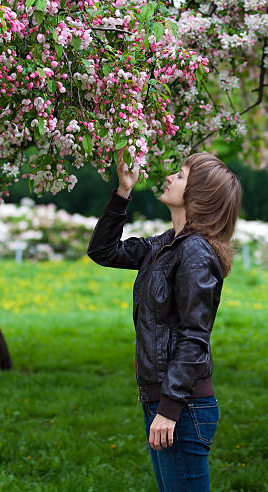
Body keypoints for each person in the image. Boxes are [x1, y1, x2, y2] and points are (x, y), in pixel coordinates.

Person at [87, 149, 242, 492]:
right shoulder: (165, 245)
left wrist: (170, 409)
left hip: (182, 407)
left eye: (182, 175)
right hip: (162, 401)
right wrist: (123, 191)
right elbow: (103, 251)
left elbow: (194, 337)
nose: (170, 177)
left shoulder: (195, 253)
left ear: (200, 196)